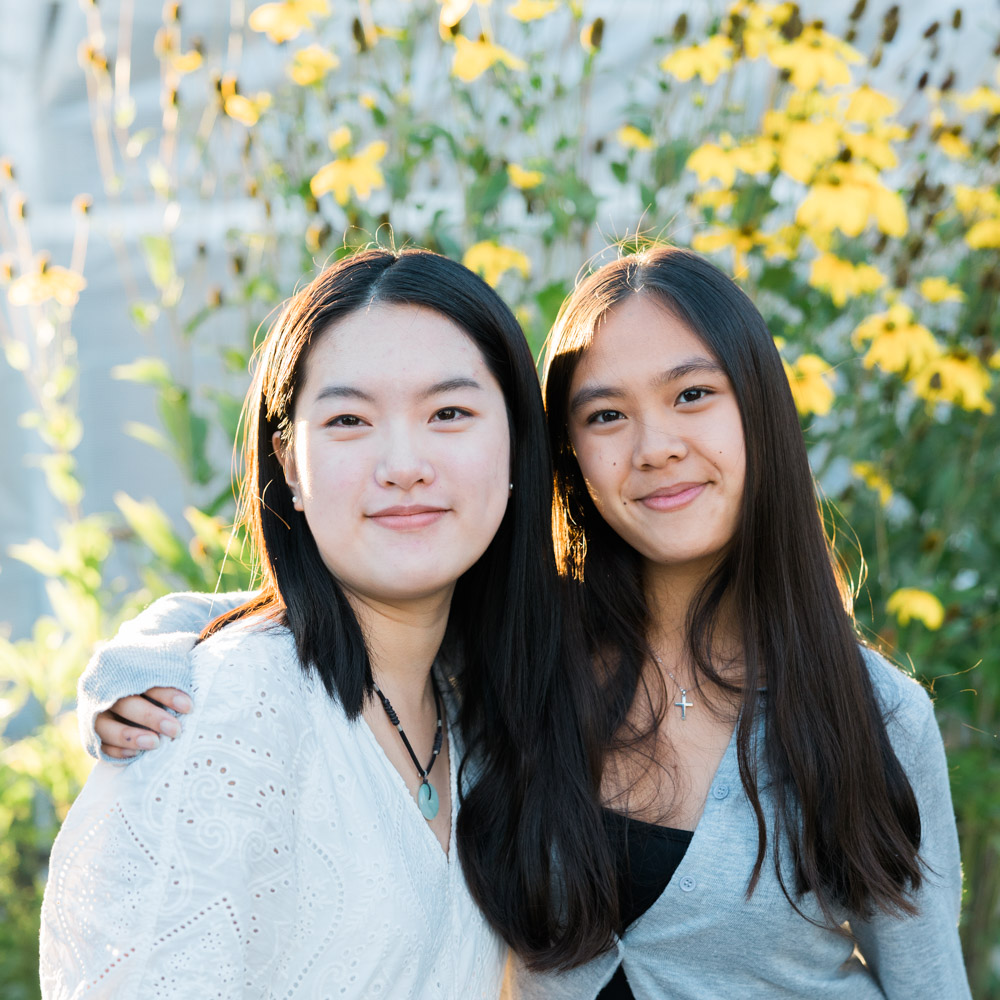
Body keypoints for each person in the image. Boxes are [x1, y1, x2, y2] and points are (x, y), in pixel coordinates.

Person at [73, 246, 971, 999]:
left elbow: (929, 981)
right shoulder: (519, 657)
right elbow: (331, 603)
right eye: (606, 414)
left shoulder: (876, 716)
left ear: (761, 409)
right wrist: (148, 656)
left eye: (693, 395)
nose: (654, 445)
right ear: (566, 453)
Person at [39, 247, 607, 998]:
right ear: (291, 464)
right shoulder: (225, 714)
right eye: (348, 419)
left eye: (449, 413)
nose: (404, 464)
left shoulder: (477, 705)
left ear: (515, 448)